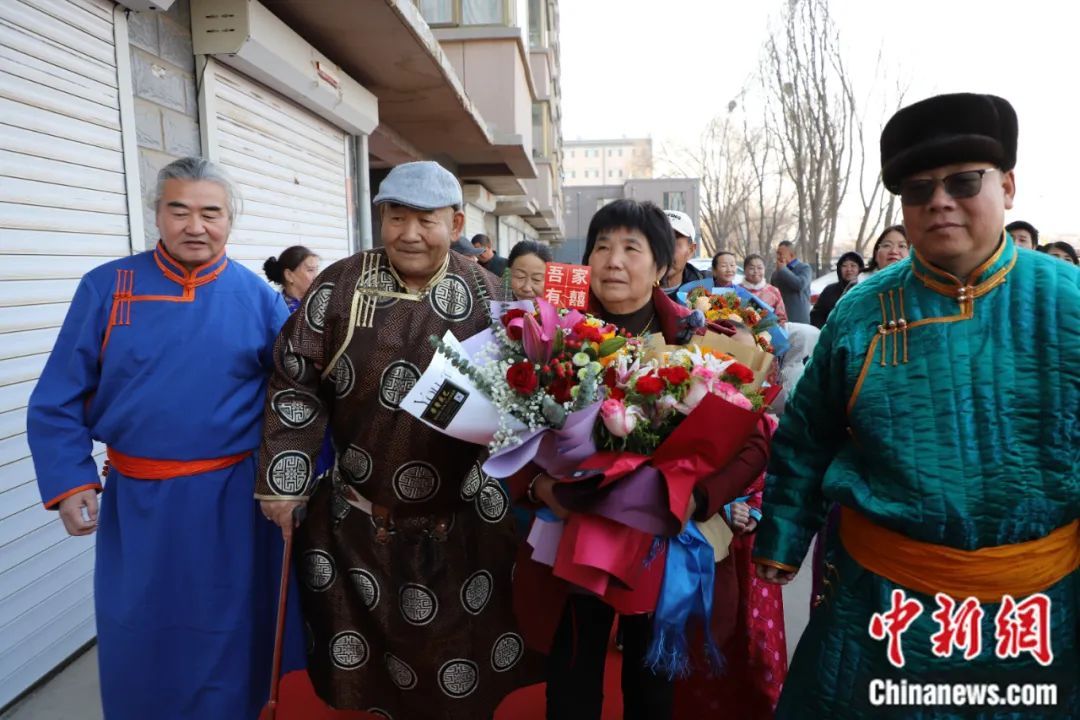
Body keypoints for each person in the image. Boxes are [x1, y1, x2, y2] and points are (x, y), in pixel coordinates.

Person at [754, 93, 1079, 718]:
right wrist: (782, 541)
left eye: (963, 181)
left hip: (1039, 613)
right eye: (918, 188)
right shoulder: (861, 312)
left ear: (1008, 186)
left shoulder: (1070, 303)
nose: (940, 202)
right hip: (882, 609)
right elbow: (806, 437)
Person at [256, 161, 538, 718]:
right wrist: (283, 480)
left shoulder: (490, 294)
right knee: (367, 679)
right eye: (396, 217)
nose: (409, 233)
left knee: (460, 671)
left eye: (426, 219)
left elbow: (522, 402)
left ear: (456, 222)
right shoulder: (338, 285)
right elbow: (295, 381)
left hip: (462, 524)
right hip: (358, 520)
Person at [26, 157, 299, 719]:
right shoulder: (107, 287)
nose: (194, 226)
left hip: (233, 501)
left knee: (229, 632)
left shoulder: (259, 299)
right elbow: (57, 397)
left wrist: (289, 483)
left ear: (230, 220)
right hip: (139, 502)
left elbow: (296, 401)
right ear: (157, 213)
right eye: (179, 210)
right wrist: (70, 478)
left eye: (210, 212)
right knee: (139, 631)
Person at [507, 198, 771, 720]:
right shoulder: (546, 335)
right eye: (601, 247)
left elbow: (755, 440)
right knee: (571, 682)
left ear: (662, 265)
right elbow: (504, 432)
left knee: (654, 690)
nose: (613, 260)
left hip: (664, 544)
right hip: (569, 535)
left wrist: (697, 497)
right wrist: (540, 490)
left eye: (632, 247)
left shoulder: (705, 339)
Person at [809, 251, 864, 328]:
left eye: (853, 265)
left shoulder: (865, 291)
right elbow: (817, 315)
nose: (849, 269)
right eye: (844, 266)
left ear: (859, 269)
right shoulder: (829, 290)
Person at [661, 209, 706, 294]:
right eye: (658, 240)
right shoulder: (631, 292)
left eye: (672, 242)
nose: (665, 250)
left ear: (691, 250)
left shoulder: (707, 291)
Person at [264, 245, 321, 310]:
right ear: (289, 275)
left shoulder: (317, 302)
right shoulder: (282, 311)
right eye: (310, 270)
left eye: (316, 269)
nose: (316, 276)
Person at [770, 241, 812, 324]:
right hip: (781, 320)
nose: (778, 257)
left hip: (799, 321)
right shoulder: (777, 273)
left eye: (780, 254)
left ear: (792, 255)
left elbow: (800, 285)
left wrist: (783, 270)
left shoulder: (804, 268)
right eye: (777, 254)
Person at [740, 253, 788, 324]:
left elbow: (782, 318)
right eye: (751, 268)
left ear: (764, 270)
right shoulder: (737, 290)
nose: (756, 271)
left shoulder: (773, 291)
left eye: (759, 268)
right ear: (744, 270)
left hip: (769, 332)